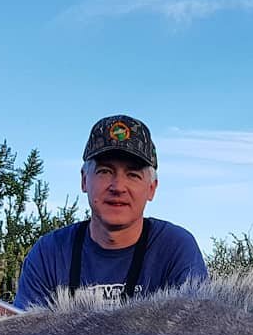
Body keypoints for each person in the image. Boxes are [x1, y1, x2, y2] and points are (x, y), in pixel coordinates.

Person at [13, 115, 207, 309]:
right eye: (105, 171)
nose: (118, 187)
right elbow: (25, 333)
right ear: (84, 180)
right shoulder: (49, 253)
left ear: (151, 188)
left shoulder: (176, 249)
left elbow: (194, 331)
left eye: (133, 175)